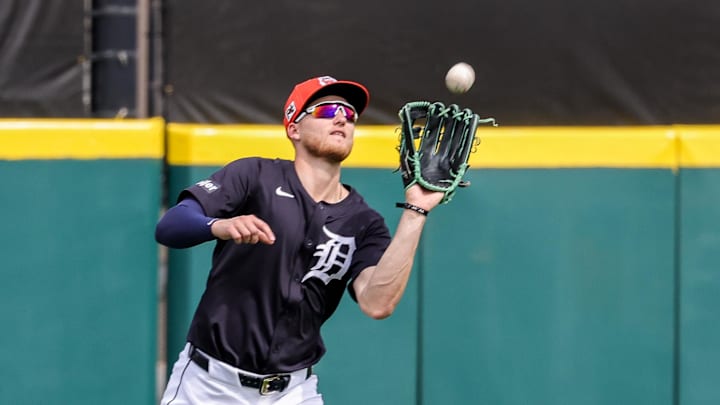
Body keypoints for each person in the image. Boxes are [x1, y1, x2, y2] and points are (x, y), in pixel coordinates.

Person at [156, 75, 445, 404]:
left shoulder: (364, 222)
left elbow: (377, 303)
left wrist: (416, 211)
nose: (341, 118)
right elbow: (171, 226)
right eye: (326, 110)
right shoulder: (254, 177)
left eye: (350, 115)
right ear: (294, 127)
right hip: (209, 387)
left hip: (292, 392)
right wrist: (218, 226)